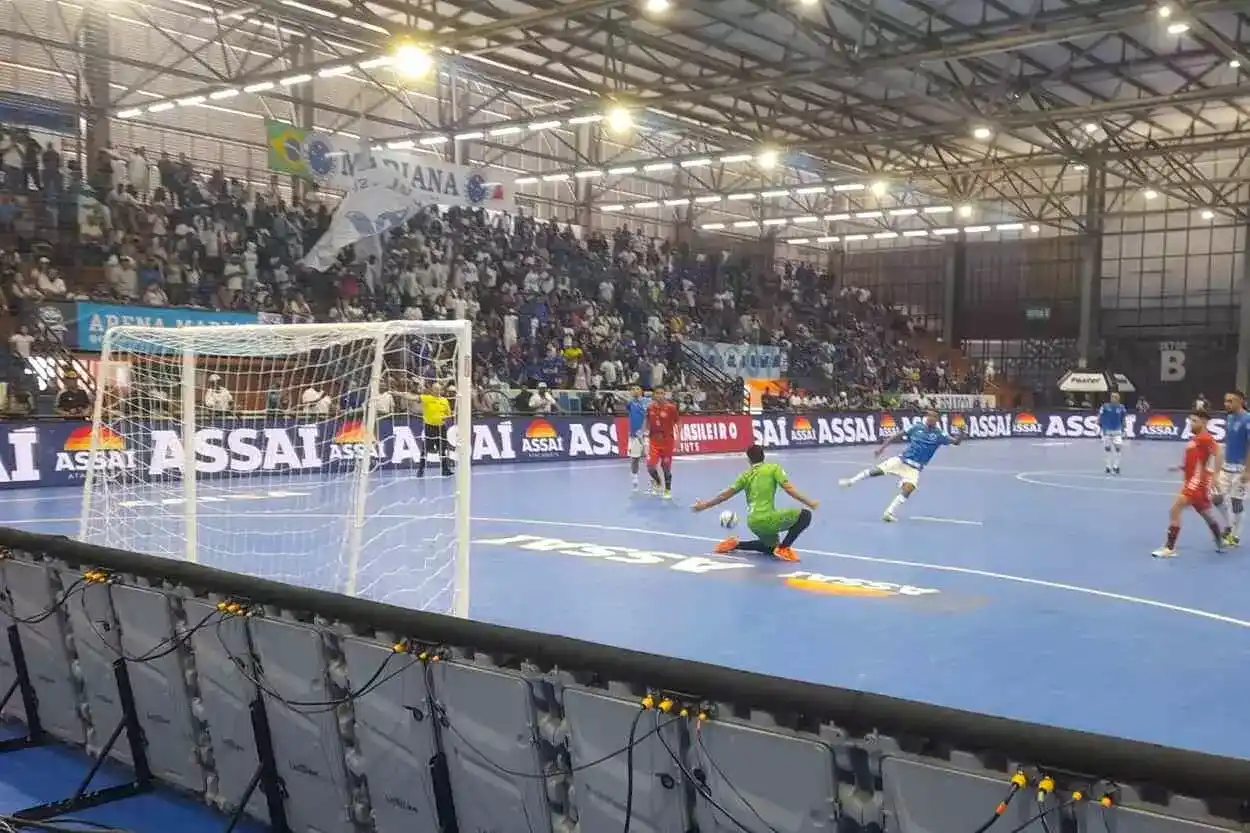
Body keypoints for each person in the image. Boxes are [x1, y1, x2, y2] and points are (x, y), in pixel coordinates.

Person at [691, 444, 818, 563]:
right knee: (805, 515)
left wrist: (704, 506)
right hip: (768, 519)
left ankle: (736, 544)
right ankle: (784, 548)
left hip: (753, 522)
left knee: (769, 548)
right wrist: (810, 502)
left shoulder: (745, 475)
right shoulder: (773, 468)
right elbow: (789, 489)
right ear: (764, 456)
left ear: (749, 460)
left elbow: (724, 495)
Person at [838, 409, 962, 522]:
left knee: (908, 489)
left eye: (932, 417)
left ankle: (888, 513)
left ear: (937, 420)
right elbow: (895, 436)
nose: (929, 418)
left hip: (914, 469)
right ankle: (851, 481)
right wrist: (881, 449)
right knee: (876, 472)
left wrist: (961, 433)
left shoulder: (940, 435)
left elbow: (956, 442)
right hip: (901, 460)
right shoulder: (916, 427)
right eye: (928, 416)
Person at [1153, 408, 1224, 558]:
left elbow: (1218, 452)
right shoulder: (1195, 439)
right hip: (1194, 481)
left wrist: (1216, 475)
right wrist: (1180, 467)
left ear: (1204, 422)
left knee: (1175, 509)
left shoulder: (1205, 438)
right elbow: (1195, 460)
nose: (1191, 424)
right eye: (1190, 420)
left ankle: (1169, 547)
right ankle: (1219, 539)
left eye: (1194, 421)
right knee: (1205, 513)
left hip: (1196, 483)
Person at [1215, 391, 1250, 546]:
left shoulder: (1248, 419)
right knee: (1216, 498)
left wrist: (1248, 471)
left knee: (1236, 502)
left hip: (1241, 469)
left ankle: (1236, 535)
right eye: (1225, 400)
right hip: (1226, 468)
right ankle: (1229, 525)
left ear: (1240, 401)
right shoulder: (1229, 418)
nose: (1226, 404)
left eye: (1230, 401)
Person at [645, 385, 679, 499]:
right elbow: (647, 421)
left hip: (667, 441)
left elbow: (678, 422)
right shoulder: (650, 407)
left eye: (661, 393)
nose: (659, 395)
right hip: (654, 441)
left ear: (665, 394)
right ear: (654, 395)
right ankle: (658, 481)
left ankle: (668, 490)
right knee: (650, 466)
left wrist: (678, 438)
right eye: (657, 393)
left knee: (666, 467)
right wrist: (645, 433)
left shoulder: (671, 408)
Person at [417, 382, 453, 477]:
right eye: (435, 389)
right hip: (430, 427)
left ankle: (445, 470)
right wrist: (401, 394)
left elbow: (448, 414)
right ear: (432, 390)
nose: (437, 391)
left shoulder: (445, 400)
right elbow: (414, 398)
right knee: (426, 449)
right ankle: (421, 470)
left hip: (441, 427)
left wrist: (446, 417)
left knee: (442, 449)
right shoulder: (427, 398)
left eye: (439, 389)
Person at [625, 386, 650, 492]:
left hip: (646, 435)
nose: (635, 390)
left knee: (651, 459)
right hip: (634, 435)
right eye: (633, 389)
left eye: (637, 389)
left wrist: (644, 430)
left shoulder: (647, 402)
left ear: (641, 391)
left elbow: (648, 416)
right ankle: (635, 479)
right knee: (634, 459)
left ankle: (653, 481)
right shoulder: (630, 403)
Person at [1098, 392, 1127, 475]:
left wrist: (1124, 429)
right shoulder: (1105, 406)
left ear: (1118, 399)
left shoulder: (1121, 407)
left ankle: (1116, 466)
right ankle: (1108, 467)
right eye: (1112, 397)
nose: (1113, 398)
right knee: (1107, 449)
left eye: (1115, 397)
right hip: (1106, 430)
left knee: (1118, 448)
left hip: (1117, 430)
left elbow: (1123, 419)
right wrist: (1097, 424)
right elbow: (1100, 416)